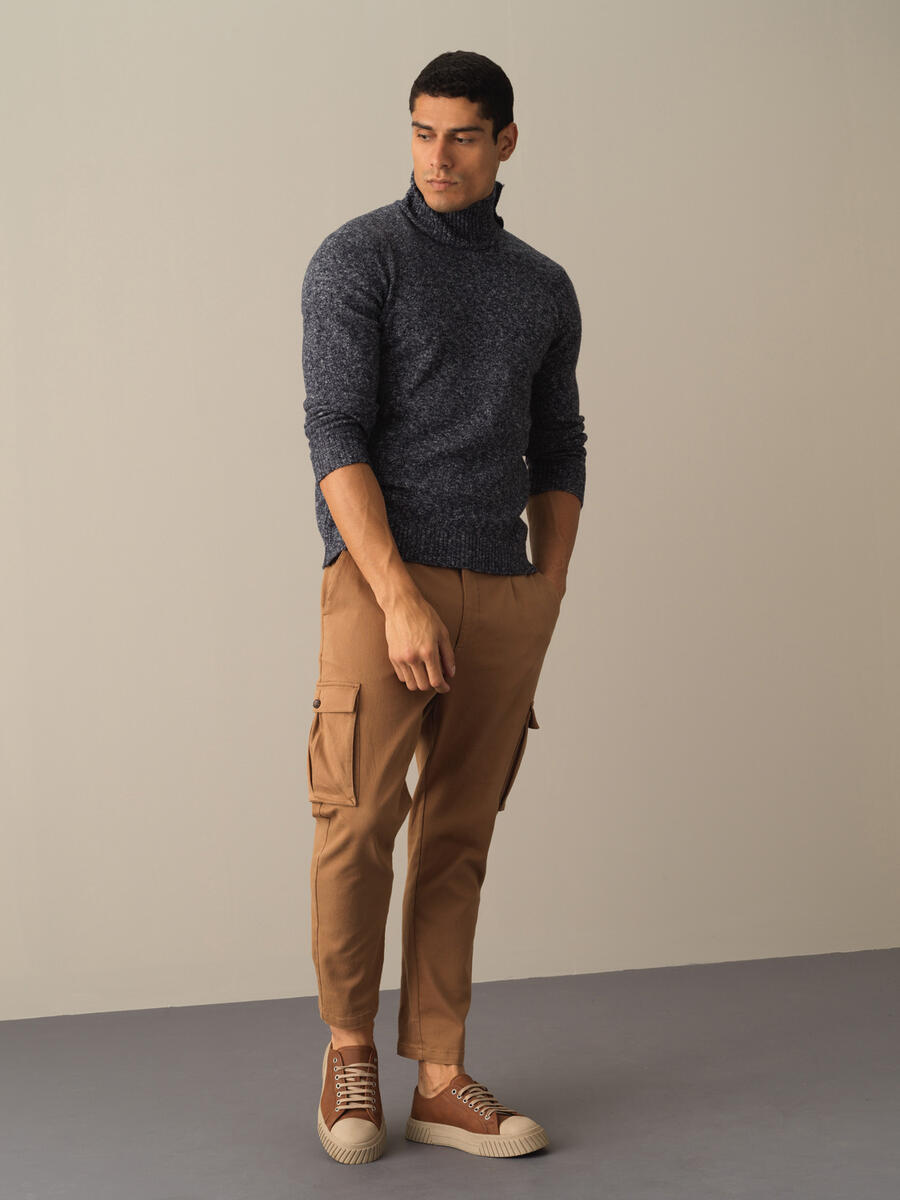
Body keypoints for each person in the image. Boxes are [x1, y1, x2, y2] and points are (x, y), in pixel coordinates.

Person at [300, 49, 586, 1164]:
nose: (439, 156)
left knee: (460, 834)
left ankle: (439, 1075)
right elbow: (335, 433)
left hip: (502, 590)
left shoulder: (543, 287)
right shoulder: (357, 258)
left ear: (506, 141)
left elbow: (558, 444)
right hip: (383, 583)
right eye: (423, 132)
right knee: (357, 823)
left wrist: (546, 593)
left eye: (463, 135)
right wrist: (398, 596)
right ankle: (348, 1055)